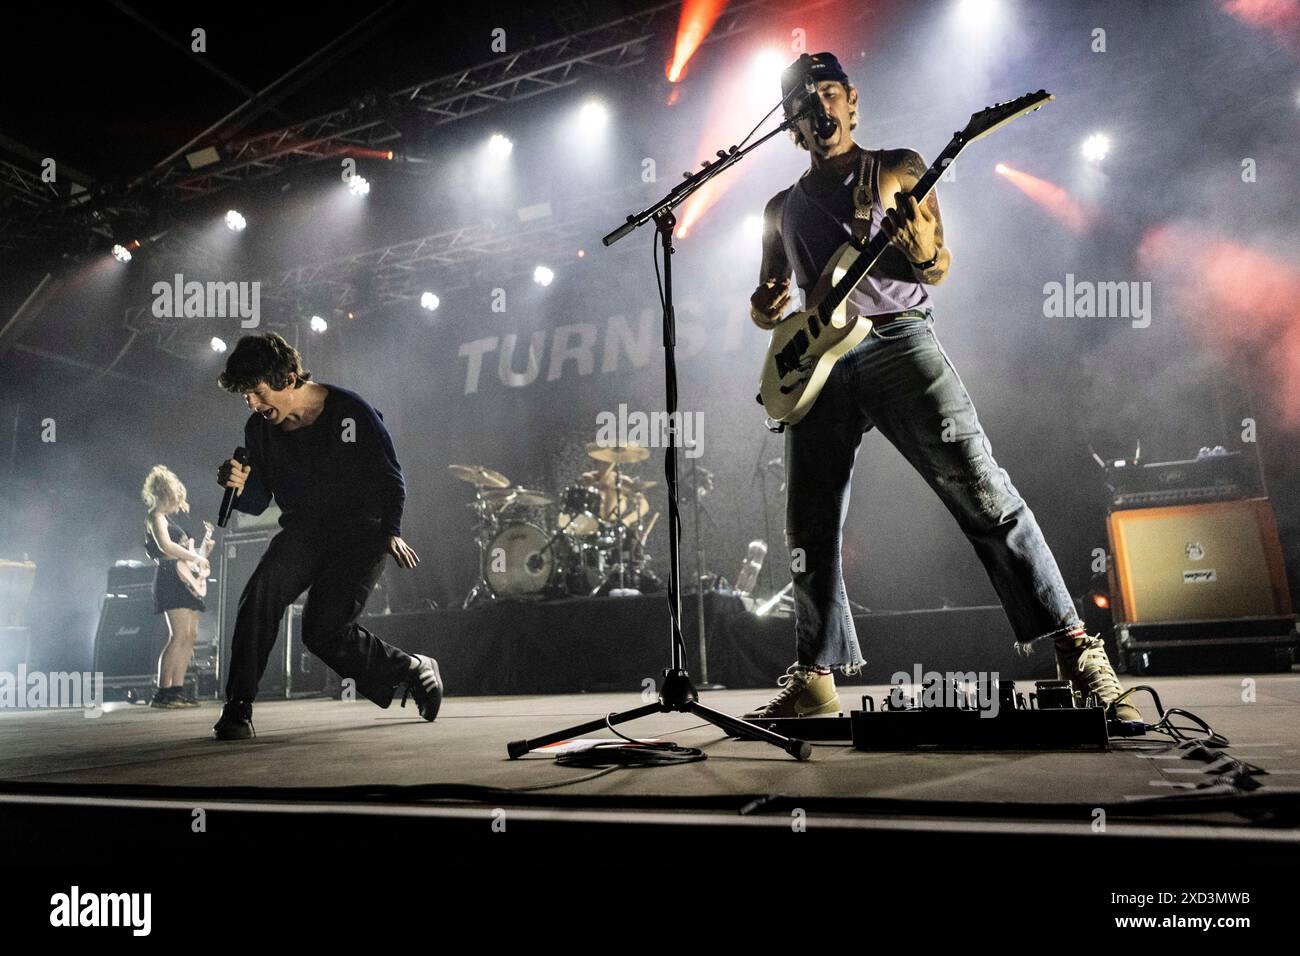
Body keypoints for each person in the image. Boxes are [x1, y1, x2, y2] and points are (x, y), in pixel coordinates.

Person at [744, 53, 1140, 723]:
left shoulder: (896, 167)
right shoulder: (780, 207)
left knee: (982, 490)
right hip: (816, 369)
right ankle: (814, 677)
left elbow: (936, 266)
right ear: (791, 123)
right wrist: (765, 301)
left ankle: (1078, 652)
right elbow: (767, 304)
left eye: (830, 93)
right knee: (808, 525)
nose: (821, 108)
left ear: (851, 101)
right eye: (806, 102)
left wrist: (922, 243)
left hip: (899, 340)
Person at [211, 332, 442, 740]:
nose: (252, 403)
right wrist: (239, 485)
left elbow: (391, 477)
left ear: (286, 378)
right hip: (305, 532)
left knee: (322, 632)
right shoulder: (260, 430)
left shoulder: (350, 411)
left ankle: (410, 668)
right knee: (260, 595)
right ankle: (238, 706)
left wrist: (390, 532)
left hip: (361, 534)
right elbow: (260, 499)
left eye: (258, 392)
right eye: (246, 396)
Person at [142, 465, 212, 708]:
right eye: (175, 498)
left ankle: (177, 689)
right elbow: (166, 547)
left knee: (190, 636)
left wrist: (202, 553)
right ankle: (163, 693)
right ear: (165, 493)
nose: (177, 504)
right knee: (178, 636)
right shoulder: (155, 517)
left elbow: (187, 555)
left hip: (184, 579)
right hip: (169, 577)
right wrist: (195, 558)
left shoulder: (170, 520)